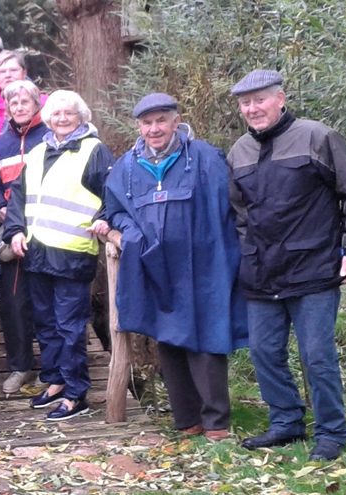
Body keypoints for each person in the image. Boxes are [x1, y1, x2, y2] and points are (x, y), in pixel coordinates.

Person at [226, 69, 346, 461]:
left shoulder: (318, 137)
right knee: (263, 351)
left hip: (314, 268)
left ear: (281, 98)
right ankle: (286, 422)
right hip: (261, 271)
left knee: (316, 355)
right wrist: (249, 251)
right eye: (245, 103)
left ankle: (331, 432)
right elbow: (240, 214)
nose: (252, 108)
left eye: (260, 100)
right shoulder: (238, 151)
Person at [104, 93, 249, 441]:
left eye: (161, 121)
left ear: (175, 121)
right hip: (156, 266)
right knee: (168, 337)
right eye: (147, 122)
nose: (154, 129)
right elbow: (114, 210)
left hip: (203, 264)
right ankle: (186, 419)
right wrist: (129, 233)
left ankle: (216, 421)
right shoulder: (126, 167)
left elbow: (229, 206)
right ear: (139, 126)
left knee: (206, 338)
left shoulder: (204, 157)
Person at [4, 90, 115, 421]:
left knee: (69, 327)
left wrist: (105, 219)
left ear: (82, 117)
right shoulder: (38, 152)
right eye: (56, 113)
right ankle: (54, 381)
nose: (62, 118)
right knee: (46, 324)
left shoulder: (95, 151)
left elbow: (112, 195)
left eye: (69, 113)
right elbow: (19, 198)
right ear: (47, 118)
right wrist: (15, 231)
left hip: (72, 254)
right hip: (37, 253)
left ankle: (76, 393)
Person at [0, 80, 47, 395]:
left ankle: (53, 368)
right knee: (13, 302)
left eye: (25, 102)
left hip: (47, 230)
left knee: (47, 302)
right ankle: (20, 366)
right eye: (14, 103)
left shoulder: (50, 136)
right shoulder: (1, 144)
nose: (20, 107)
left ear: (37, 104)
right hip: (12, 234)